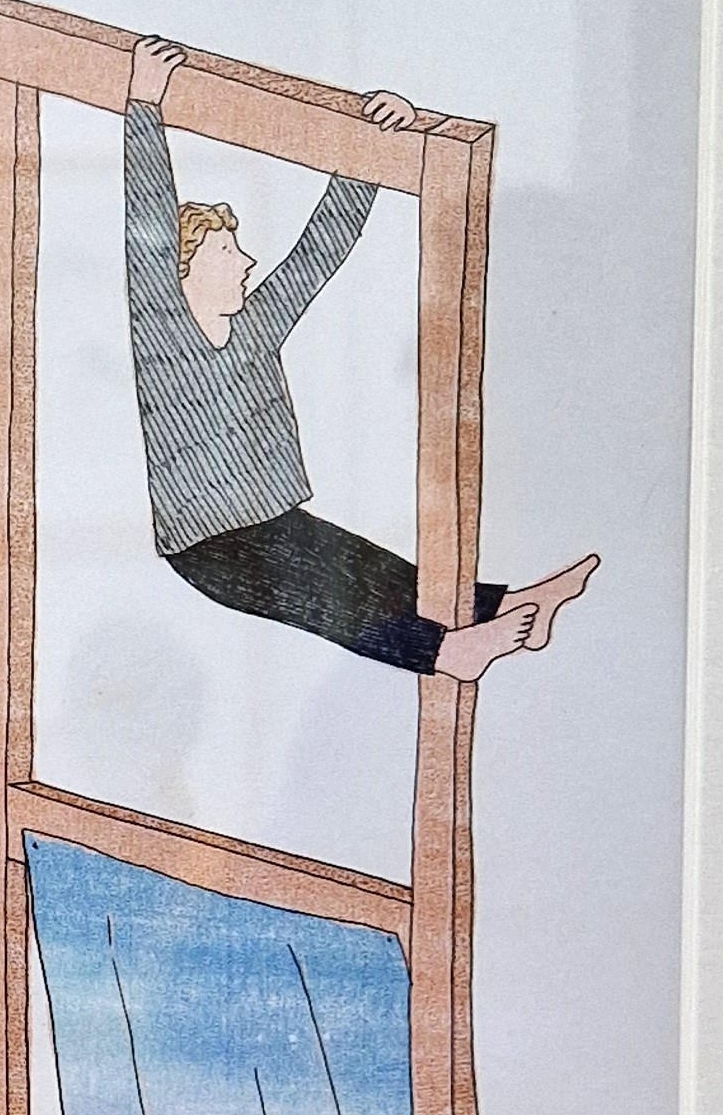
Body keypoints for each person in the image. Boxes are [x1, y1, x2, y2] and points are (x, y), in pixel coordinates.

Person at [123, 36, 597, 679]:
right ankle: (446, 653)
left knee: (375, 571)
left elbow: (317, 253)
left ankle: (507, 606)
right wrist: (144, 107)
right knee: (332, 599)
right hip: (209, 546)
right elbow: (148, 228)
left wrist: (372, 147)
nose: (247, 262)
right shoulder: (165, 333)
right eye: (227, 254)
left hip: (271, 519)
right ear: (182, 274)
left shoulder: (255, 326)